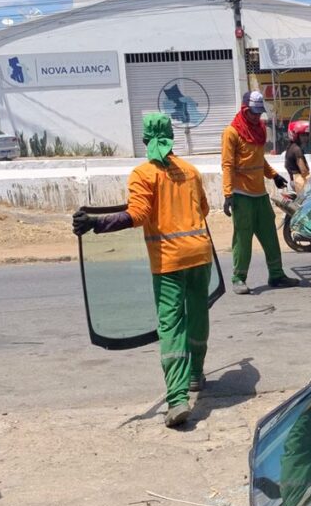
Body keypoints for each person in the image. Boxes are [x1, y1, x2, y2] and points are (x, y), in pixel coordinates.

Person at [72, 112, 213, 429]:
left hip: (169, 262)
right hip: (200, 254)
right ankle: (195, 375)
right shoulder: (190, 171)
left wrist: (96, 224)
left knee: (172, 325)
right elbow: (202, 209)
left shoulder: (142, 174)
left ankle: (177, 399)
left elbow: (136, 214)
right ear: (172, 137)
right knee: (198, 315)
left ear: (147, 139)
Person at [222, 90, 300, 295]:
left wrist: (273, 175)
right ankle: (239, 278)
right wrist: (228, 194)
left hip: (259, 195)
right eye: (254, 113)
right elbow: (228, 165)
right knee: (243, 238)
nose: (257, 117)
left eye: (259, 113)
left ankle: (276, 275)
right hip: (241, 195)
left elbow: (258, 159)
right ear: (245, 110)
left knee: (270, 237)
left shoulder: (259, 130)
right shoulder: (232, 133)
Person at [284, 121, 311, 194]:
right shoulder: (297, 150)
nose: (306, 138)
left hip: (294, 182)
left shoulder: (291, 147)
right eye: (303, 135)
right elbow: (304, 171)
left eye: (307, 135)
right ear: (295, 135)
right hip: (300, 183)